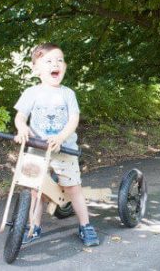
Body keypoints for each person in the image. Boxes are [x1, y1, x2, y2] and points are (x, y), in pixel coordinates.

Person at [13, 43, 100, 247]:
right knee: (35, 190)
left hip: (63, 149)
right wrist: (22, 128)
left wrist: (60, 137)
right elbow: (20, 116)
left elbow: (73, 120)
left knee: (72, 188)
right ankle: (34, 226)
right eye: (49, 61)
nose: (56, 64)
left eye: (59, 60)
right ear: (36, 69)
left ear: (64, 67)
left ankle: (85, 225)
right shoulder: (31, 92)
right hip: (37, 148)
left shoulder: (67, 94)